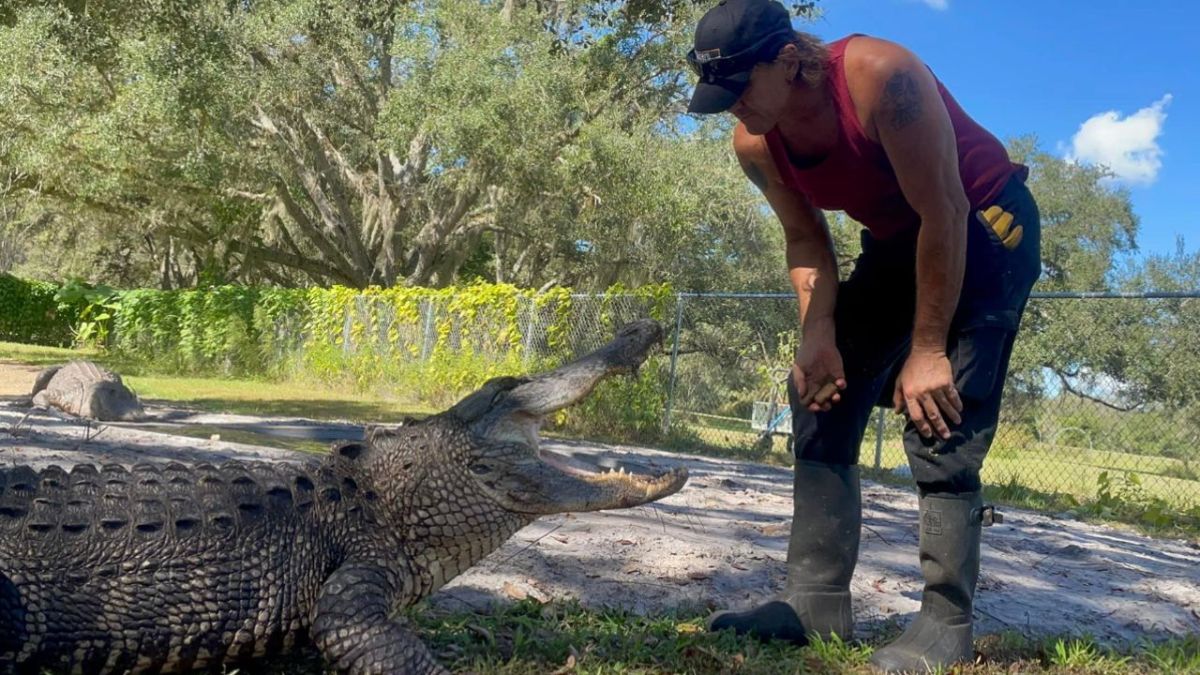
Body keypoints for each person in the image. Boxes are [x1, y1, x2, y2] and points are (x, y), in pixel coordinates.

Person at [685, 0, 1041, 672]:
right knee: (820, 391)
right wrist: (816, 332)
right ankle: (815, 599)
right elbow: (804, 237)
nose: (732, 109)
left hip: (986, 227)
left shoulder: (884, 77)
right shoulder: (754, 141)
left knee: (939, 411)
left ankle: (944, 624)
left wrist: (929, 348)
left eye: (739, 90)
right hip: (901, 241)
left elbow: (946, 210)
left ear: (788, 60)